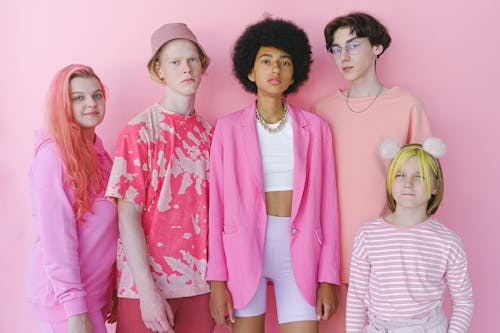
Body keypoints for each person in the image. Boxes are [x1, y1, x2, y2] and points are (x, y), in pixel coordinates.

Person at [207, 17, 340, 333]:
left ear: (295, 72)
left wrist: (328, 277)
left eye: (284, 62)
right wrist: (217, 281)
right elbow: (217, 206)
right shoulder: (227, 129)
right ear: (251, 71)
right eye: (266, 61)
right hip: (243, 250)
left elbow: (329, 205)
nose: (275, 69)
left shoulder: (315, 129)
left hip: (302, 251)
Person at [313, 12, 433, 330]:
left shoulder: (407, 105)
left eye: (353, 45)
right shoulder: (322, 110)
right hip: (332, 255)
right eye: (336, 49)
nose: (344, 56)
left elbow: (423, 183)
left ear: (377, 47)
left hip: (390, 255)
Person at [105, 23, 215, 333]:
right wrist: (148, 293)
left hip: (198, 288)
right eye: (175, 62)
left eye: (193, 59)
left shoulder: (209, 134)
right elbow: (127, 216)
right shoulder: (140, 129)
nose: (186, 69)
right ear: (159, 70)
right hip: (144, 290)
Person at [346, 138, 474, 332]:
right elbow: (356, 295)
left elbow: (463, 301)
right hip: (379, 328)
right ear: (390, 182)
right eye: (400, 175)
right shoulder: (368, 234)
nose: (408, 183)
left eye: (419, 176)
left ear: (435, 187)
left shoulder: (448, 242)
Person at [27, 64, 118, 333]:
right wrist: (75, 311)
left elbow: (105, 231)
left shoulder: (99, 154)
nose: (91, 103)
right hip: (65, 303)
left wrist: (111, 287)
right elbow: (57, 240)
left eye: (97, 95)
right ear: (63, 104)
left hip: (92, 294)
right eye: (78, 97)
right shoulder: (53, 158)